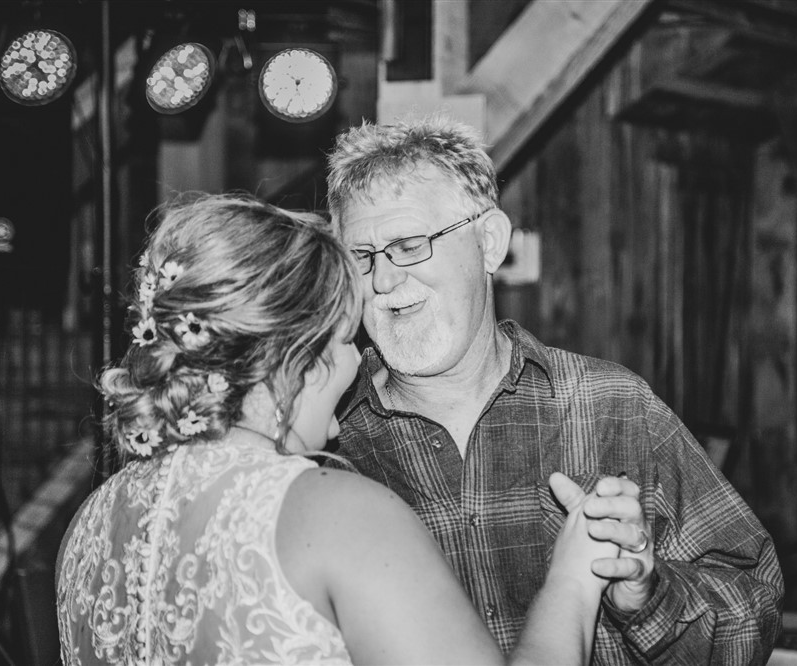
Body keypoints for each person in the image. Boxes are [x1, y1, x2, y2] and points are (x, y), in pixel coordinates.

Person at [55, 193, 619, 666]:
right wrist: (574, 577)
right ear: (293, 353)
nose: (356, 363)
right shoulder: (335, 513)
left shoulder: (89, 525)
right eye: (346, 338)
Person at [326, 115, 785, 665]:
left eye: (407, 245)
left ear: (489, 243)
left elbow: (756, 614)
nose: (383, 280)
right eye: (361, 256)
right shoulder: (329, 443)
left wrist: (648, 595)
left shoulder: (612, 406)